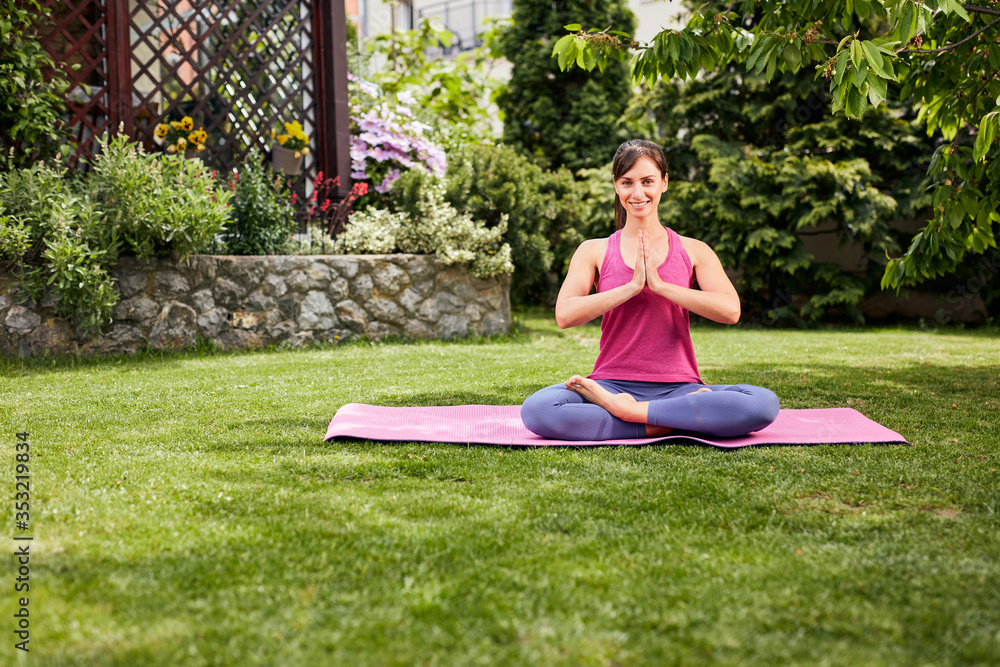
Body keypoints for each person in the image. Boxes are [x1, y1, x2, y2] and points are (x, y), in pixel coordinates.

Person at [520, 140, 779, 440]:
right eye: (627, 182)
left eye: (647, 181)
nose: (637, 193)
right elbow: (565, 315)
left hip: (679, 389)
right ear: (616, 185)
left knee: (762, 403)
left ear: (664, 183)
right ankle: (664, 420)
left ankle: (630, 414)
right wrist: (632, 287)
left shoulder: (694, 250)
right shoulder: (593, 250)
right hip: (611, 384)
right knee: (539, 410)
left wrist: (660, 286)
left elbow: (730, 311)